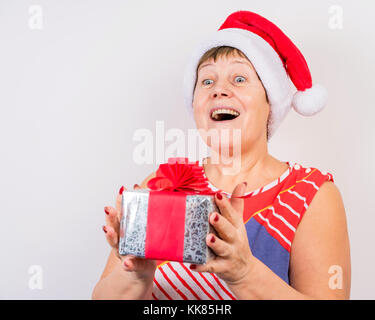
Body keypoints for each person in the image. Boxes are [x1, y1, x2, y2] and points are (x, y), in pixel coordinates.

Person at [92, 10, 350, 300]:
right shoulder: (164, 184)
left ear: (271, 102)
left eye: (239, 79)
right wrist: (136, 275)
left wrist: (244, 273)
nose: (219, 90)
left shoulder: (311, 195)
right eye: (206, 82)